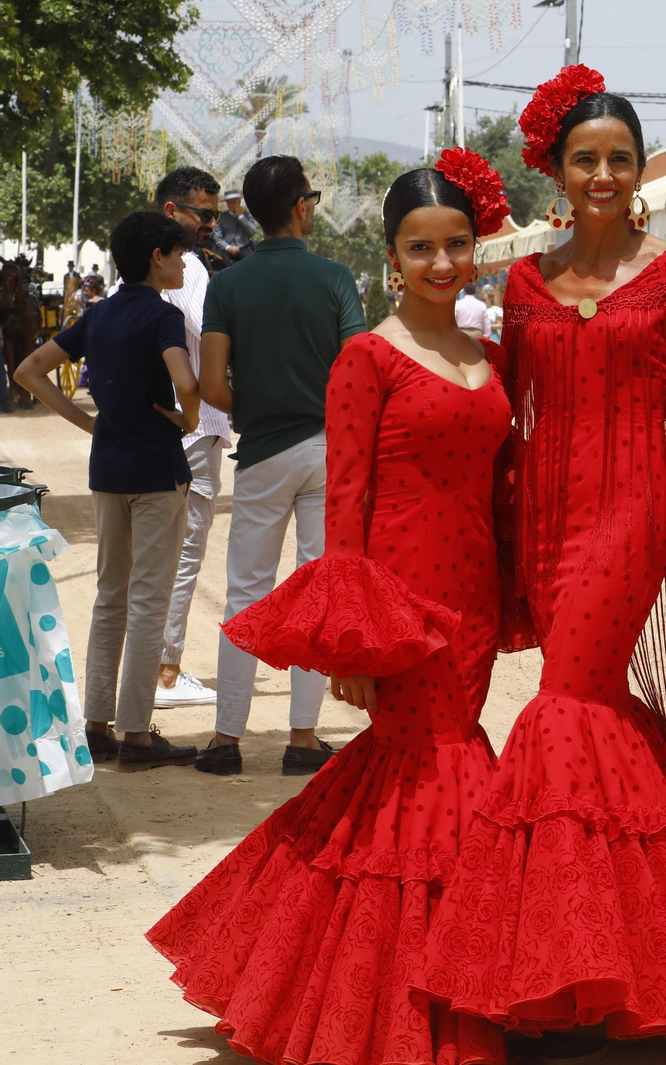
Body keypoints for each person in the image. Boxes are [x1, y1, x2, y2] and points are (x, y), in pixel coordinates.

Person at [147, 149, 514, 1065]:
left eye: (456, 245)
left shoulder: (488, 353)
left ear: (474, 248)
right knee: (428, 772)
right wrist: (351, 635)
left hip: (471, 591)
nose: (441, 265)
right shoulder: (365, 356)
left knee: (423, 771)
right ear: (391, 257)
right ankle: (405, 997)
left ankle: (436, 973)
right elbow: (342, 504)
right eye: (420, 248)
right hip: (401, 593)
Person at [415, 66, 666, 1064]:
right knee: (594, 713)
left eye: (619, 160)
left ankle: (564, 963)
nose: (603, 173)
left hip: (635, 510)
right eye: (586, 158)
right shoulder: (521, 279)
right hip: (543, 513)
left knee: (565, 699)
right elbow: (498, 408)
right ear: (555, 165)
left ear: (639, 173)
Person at [12, 212, 202, 768]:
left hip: (109, 469)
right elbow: (186, 381)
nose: (185, 262)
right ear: (156, 256)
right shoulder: (163, 315)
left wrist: (89, 424)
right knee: (148, 601)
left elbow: (29, 370)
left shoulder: (98, 316)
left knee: (110, 595)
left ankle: (97, 724)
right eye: (178, 253)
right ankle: (138, 734)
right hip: (158, 473)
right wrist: (187, 420)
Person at [197, 155, 365, 776]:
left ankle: (226, 740)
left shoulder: (228, 285)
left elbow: (212, 384)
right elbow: (357, 371)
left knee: (246, 588)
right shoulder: (336, 278)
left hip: (262, 451)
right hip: (329, 449)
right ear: (301, 206)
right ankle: (301, 739)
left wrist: (261, 410)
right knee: (316, 585)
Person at [142, 166, 234, 711]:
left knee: (153, 552)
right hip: (192, 423)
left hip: (160, 423)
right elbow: (214, 333)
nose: (212, 225)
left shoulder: (142, 266)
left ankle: (150, 667)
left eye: (217, 215)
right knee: (184, 550)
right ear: (172, 212)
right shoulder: (189, 269)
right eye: (204, 214)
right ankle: (167, 671)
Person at [212, 189, 257, 265]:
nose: (232, 205)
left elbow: (251, 232)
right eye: (229, 202)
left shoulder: (247, 215)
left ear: (238, 202)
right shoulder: (221, 217)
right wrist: (228, 247)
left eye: (234, 202)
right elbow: (217, 238)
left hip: (244, 248)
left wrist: (241, 217)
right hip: (226, 249)